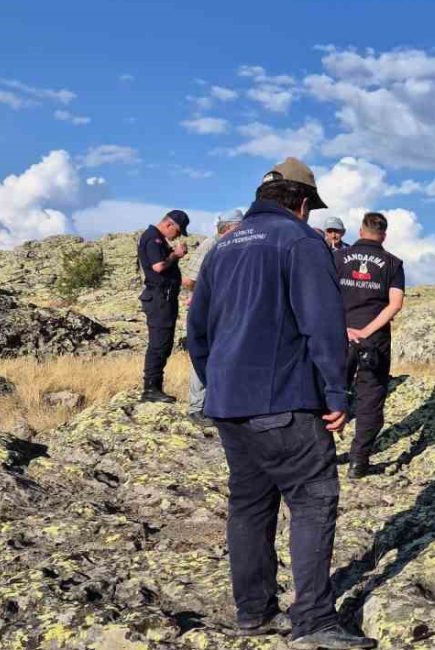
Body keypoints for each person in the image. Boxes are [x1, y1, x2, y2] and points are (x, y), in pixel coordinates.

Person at [187, 157, 375, 650]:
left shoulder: (222, 248)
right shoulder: (301, 241)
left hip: (229, 404)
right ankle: (313, 622)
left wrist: (219, 385)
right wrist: (337, 392)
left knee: (249, 506)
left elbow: (197, 333)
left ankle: (254, 613)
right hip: (284, 400)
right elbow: (321, 323)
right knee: (314, 499)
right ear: (304, 204)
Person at [334, 212, 405, 479]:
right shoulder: (393, 263)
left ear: (361, 231)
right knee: (370, 400)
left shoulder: (337, 258)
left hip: (337, 336)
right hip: (374, 341)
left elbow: (323, 295)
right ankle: (358, 462)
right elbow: (395, 304)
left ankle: (322, 455)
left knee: (327, 392)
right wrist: (366, 331)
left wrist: (342, 328)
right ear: (384, 234)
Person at [181, 209, 243, 426]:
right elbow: (188, 280)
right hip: (207, 310)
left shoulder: (235, 247)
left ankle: (216, 405)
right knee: (204, 354)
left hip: (226, 310)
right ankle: (196, 408)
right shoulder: (211, 245)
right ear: (228, 227)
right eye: (239, 227)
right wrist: (205, 296)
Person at [137, 209, 190, 403]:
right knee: (159, 343)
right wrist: (175, 255)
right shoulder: (153, 238)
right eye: (177, 231)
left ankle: (155, 386)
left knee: (164, 343)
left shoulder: (157, 238)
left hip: (164, 298)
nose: (177, 235)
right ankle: (150, 388)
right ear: (169, 225)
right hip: (159, 298)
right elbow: (158, 267)